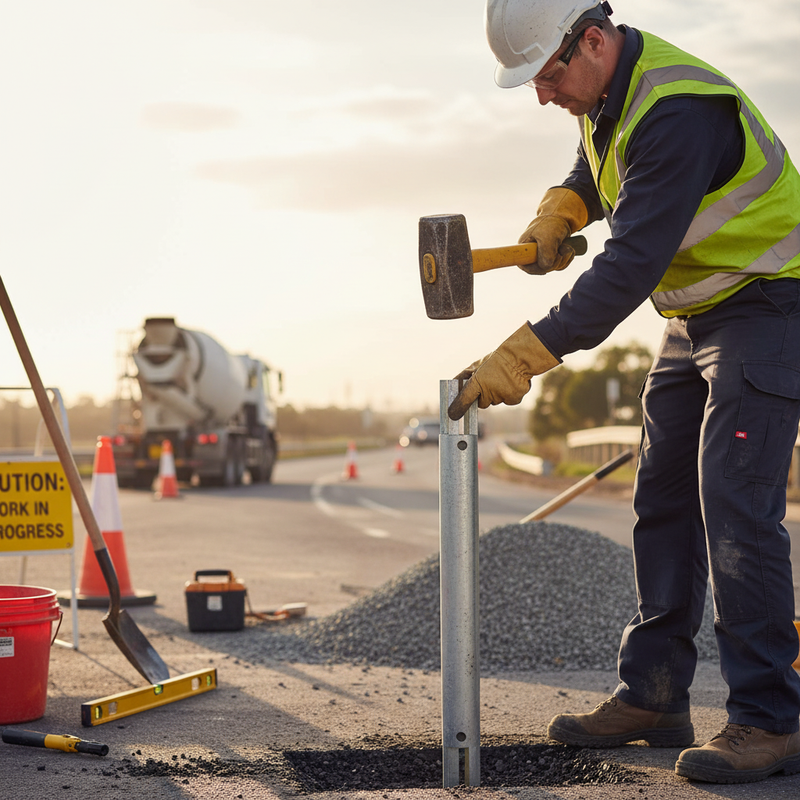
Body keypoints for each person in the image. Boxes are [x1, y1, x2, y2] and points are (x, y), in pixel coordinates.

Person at [448, 0, 800, 784]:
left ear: (593, 41)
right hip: (694, 314)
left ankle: (771, 719)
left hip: (767, 302)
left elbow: (625, 269)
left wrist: (524, 353)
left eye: (546, 76)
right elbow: (602, 165)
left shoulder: (678, 108)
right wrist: (564, 206)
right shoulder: (609, 93)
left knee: (734, 503)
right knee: (664, 498)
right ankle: (655, 694)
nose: (543, 95)